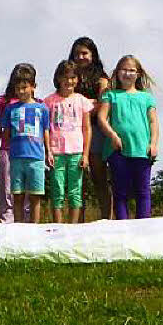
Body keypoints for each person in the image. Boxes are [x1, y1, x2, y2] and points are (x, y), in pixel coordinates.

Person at [97, 55, 158, 220]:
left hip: (142, 149)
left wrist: (153, 144)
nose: (128, 73)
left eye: (132, 70)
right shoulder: (111, 95)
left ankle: (143, 227)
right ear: (117, 72)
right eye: (124, 69)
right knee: (120, 191)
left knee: (143, 191)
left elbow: (153, 122)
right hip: (117, 150)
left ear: (138, 74)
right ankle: (123, 228)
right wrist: (112, 135)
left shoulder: (146, 97)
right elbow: (102, 118)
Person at [0, 68, 51, 223]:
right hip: (16, 158)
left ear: (33, 86)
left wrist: (49, 152)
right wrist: (3, 150)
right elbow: (5, 131)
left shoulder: (42, 109)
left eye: (24, 87)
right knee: (17, 196)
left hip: (36, 158)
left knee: (35, 196)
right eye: (18, 88)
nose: (21, 91)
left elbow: (46, 131)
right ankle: (18, 229)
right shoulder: (10, 109)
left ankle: (34, 228)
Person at [43, 62, 93, 224]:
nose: (69, 81)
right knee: (57, 190)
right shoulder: (49, 101)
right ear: (58, 78)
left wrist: (85, 155)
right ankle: (58, 225)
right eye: (65, 77)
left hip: (76, 152)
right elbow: (46, 129)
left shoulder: (81, 100)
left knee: (75, 191)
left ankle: (73, 228)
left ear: (77, 79)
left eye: (72, 77)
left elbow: (87, 128)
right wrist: (47, 151)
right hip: (56, 153)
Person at [0, 64, 35, 223]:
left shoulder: (37, 104)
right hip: (8, 149)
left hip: (29, 152)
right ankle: (6, 223)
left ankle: (27, 224)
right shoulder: (3, 102)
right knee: (7, 190)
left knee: (27, 190)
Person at [69, 37, 111, 221]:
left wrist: (81, 106)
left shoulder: (101, 77)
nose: (80, 57)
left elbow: (102, 104)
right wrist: (87, 104)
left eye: (84, 53)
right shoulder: (69, 76)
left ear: (93, 55)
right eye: (77, 53)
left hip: (95, 131)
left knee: (99, 175)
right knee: (77, 181)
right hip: (72, 131)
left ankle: (107, 218)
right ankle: (78, 221)